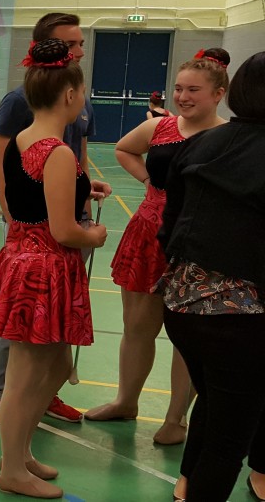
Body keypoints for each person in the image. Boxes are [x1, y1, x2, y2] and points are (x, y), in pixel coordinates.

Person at [84, 49, 230, 444]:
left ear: (218, 93)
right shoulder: (161, 128)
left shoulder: (228, 138)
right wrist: (149, 181)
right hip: (149, 233)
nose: (183, 96)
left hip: (197, 243)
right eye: (179, 88)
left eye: (193, 90)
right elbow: (123, 149)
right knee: (136, 329)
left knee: (187, 334)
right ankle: (126, 401)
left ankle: (176, 418)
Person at [0, 38, 108, 498]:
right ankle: (11, 468)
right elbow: (63, 231)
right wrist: (93, 235)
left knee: (54, 366)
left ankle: (20, 451)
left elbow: (33, 195)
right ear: (70, 95)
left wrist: (81, 188)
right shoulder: (56, 151)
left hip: (25, 258)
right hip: (42, 268)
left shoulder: (22, 140)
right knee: (23, 376)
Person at [157, 50, 265, 502]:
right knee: (228, 439)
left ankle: (186, 483)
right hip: (238, 315)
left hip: (182, 306)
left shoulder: (203, 143)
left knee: (216, 403)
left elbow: (172, 224)